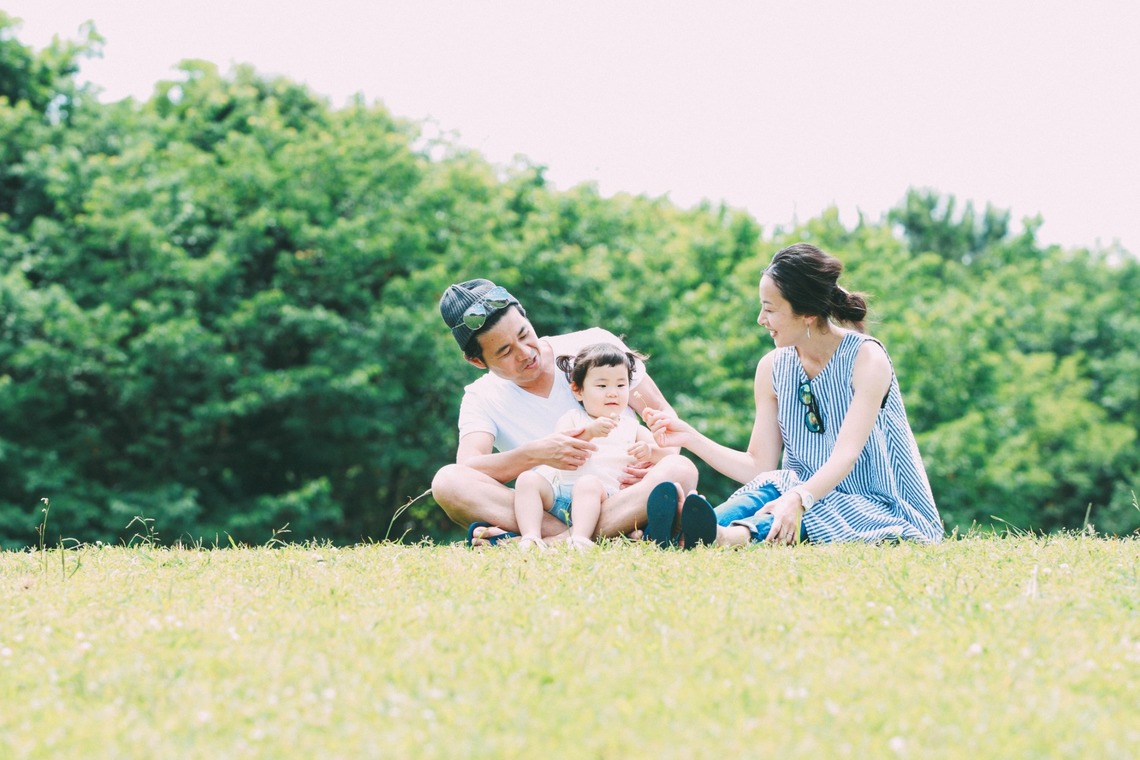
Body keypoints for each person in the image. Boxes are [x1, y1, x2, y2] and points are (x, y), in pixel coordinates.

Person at [644, 243, 944, 546]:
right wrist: (690, 438)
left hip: (874, 502)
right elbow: (758, 465)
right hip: (798, 488)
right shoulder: (772, 368)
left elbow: (846, 456)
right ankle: (688, 530)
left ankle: (723, 536)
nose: (761, 319)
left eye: (770, 309)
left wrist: (799, 497)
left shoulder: (867, 360)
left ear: (808, 313)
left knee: (804, 506)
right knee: (766, 487)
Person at [431, 279, 698, 545]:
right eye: (505, 352)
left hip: (621, 494)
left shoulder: (594, 343)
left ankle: (550, 543)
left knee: (681, 469)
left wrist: (653, 461)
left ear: (526, 316)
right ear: (477, 361)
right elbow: (469, 467)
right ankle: (609, 534)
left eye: (524, 334)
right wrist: (535, 453)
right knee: (447, 482)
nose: (525, 353)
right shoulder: (481, 397)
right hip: (547, 505)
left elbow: (663, 415)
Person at [514, 343, 669, 549]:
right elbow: (559, 445)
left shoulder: (632, 428)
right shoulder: (572, 418)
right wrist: (590, 432)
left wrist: (651, 452)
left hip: (604, 503)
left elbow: (668, 459)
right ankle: (531, 537)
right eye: (602, 386)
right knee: (527, 479)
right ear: (578, 391)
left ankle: (579, 539)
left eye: (621, 385)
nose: (613, 393)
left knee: (588, 483)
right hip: (561, 495)